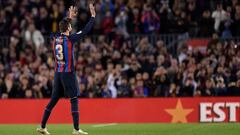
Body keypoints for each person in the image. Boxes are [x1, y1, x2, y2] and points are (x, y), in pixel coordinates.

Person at [36, 3, 96, 135]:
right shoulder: (70, 39)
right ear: (69, 28)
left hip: (58, 73)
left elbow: (62, 28)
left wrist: (69, 18)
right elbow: (85, 30)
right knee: (74, 99)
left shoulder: (55, 38)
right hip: (68, 73)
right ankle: (76, 129)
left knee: (53, 99)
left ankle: (42, 126)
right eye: (70, 26)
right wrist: (92, 16)